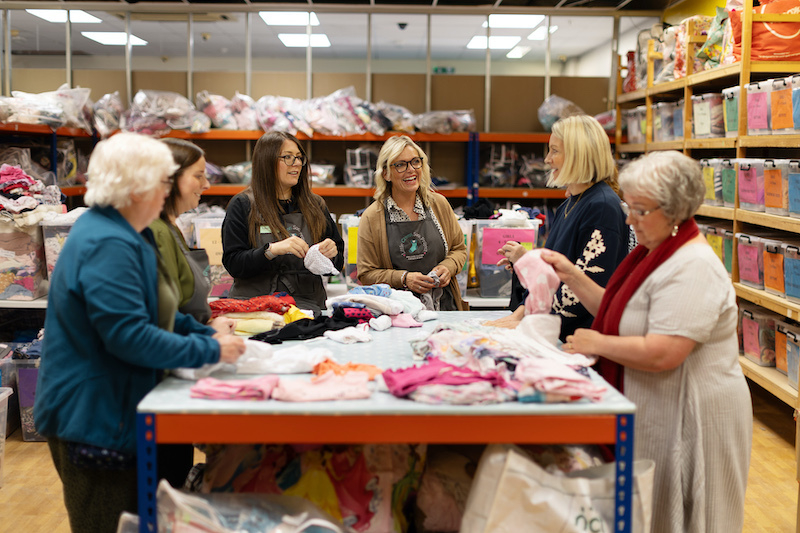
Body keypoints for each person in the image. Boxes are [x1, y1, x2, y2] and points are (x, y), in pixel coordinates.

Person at [33, 133, 246, 533]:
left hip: (115, 409)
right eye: (163, 181)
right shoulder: (106, 242)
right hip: (92, 419)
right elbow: (129, 336)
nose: (168, 190)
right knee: (107, 523)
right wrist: (209, 352)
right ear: (135, 187)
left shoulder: (134, 231)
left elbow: (161, 312)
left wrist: (204, 338)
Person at [542, 151, 752, 533]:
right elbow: (621, 309)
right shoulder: (652, 253)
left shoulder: (693, 266)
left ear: (673, 211)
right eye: (630, 207)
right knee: (655, 512)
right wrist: (572, 275)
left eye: (639, 210)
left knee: (693, 514)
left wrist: (598, 344)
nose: (628, 219)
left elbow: (664, 351)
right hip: (662, 404)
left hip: (694, 415)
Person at [487, 114, 629, 340]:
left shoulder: (602, 207)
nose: (546, 159)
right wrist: (520, 314)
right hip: (555, 333)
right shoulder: (572, 202)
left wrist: (528, 323)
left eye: (554, 151)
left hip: (576, 339)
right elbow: (553, 276)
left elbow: (582, 288)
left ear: (577, 155)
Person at [222, 131, 344, 316]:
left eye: (298, 158)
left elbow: (337, 262)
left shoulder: (315, 205)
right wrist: (271, 250)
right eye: (287, 157)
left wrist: (330, 254)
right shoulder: (243, 204)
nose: (296, 163)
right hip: (255, 308)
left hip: (306, 308)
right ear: (267, 161)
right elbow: (234, 264)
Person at [357, 135, 468, 310]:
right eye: (400, 165)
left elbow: (459, 249)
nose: (411, 170)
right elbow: (366, 274)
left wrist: (448, 267)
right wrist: (403, 279)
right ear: (386, 173)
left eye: (415, 162)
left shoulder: (439, 205)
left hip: (444, 307)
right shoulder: (372, 217)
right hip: (398, 312)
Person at [150, 138, 220, 325]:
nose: (206, 185)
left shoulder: (170, 227)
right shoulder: (156, 232)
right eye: (198, 176)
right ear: (169, 177)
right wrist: (206, 334)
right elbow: (163, 314)